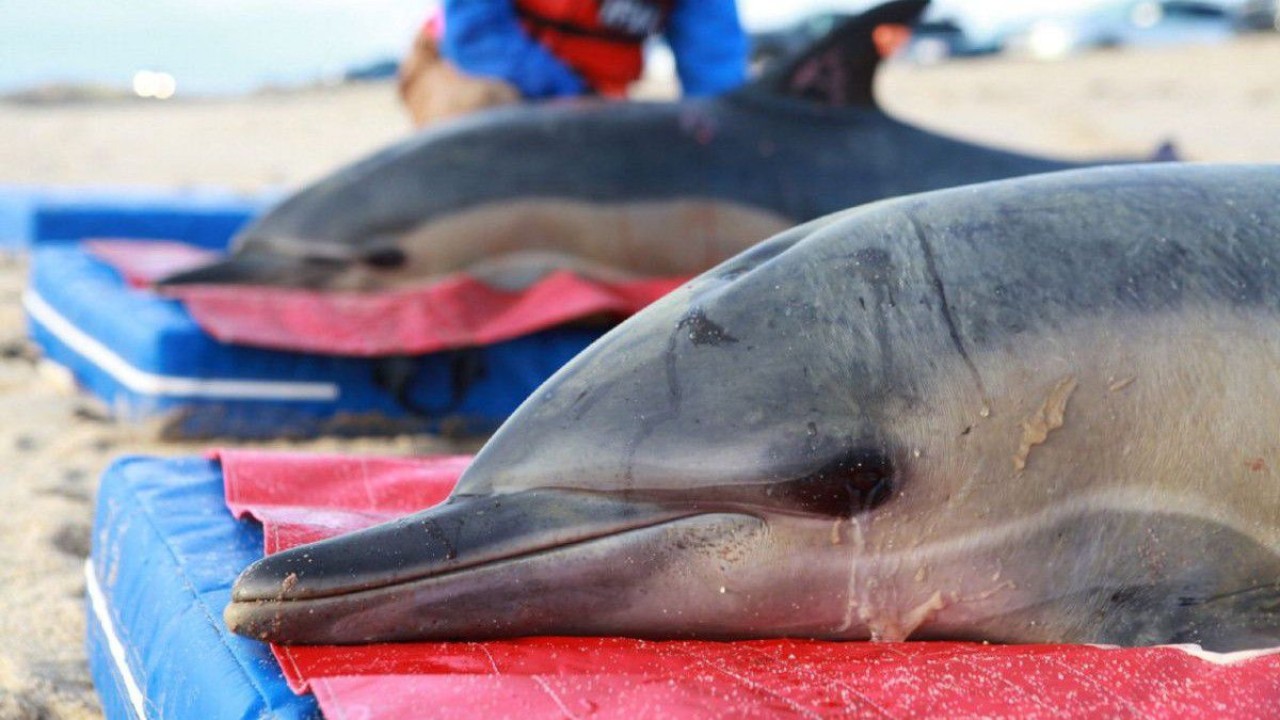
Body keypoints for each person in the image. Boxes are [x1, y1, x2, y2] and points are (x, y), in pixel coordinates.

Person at [399, 0, 748, 126]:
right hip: (463, 71)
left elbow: (716, 83)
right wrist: (572, 92)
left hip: (595, 106)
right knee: (486, 112)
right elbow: (474, 39)